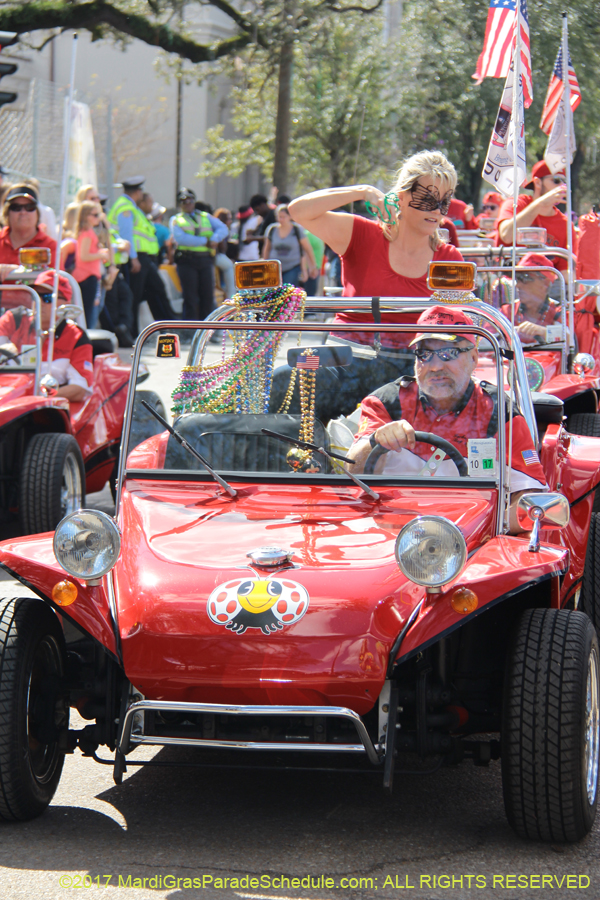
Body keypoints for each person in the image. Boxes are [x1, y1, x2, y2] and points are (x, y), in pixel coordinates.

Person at [347, 305, 547, 532]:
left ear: (473, 358)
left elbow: (530, 499)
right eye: (424, 354)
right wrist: (376, 440)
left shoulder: (499, 412)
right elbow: (353, 474)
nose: (435, 366)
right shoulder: (385, 403)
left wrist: (472, 532)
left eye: (448, 353)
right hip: (389, 534)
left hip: (470, 540)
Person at [0, 271, 93, 402]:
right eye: (36, 296)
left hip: (44, 408)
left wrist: (40, 398)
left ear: (65, 303)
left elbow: (79, 389)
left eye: (47, 297)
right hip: (7, 396)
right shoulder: (13, 320)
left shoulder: (77, 337)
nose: (39, 303)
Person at [495, 161, 577, 271]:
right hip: (509, 279)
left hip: (546, 285)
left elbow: (565, 272)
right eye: (556, 180)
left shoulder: (565, 224)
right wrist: (540, 204)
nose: (562, 186)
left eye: (564, 182)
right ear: (538, 183)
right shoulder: (515, 203)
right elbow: (506, 235)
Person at [170, 188, 228, 320]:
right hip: (187, 260)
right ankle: (190, 330)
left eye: (190, 200)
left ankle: (207, 329)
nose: (187, 204)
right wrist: (205, 241)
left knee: (207, 296)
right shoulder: (176, 219)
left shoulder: (205, 216)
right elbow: (181, 238)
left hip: (205, 260)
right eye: (184, 201)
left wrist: (214, 239)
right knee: (190, 297)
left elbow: (223, 228)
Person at [499, 253, 562, 345]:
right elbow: (486, 340)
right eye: (517, 279)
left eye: (525, 278)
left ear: (545, 284)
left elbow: (569, 338)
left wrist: (542, 332)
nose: (518, 285)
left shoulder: (560, 312)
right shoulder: (507, 311)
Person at [71, 201, 109, 327]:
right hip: (86, 277)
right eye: (95, 215)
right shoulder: (87, 233)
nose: (98, 217)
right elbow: (84, 256)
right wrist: (101, 254)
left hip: (89, 276)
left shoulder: (88, 232)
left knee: (88, 312)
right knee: (87, 314)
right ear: (86, 216)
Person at [0, 184, 57, 265]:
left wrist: (16, 271)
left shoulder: (50, 247)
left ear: (37, 212)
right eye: (16, 207)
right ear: (7, 213)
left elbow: (55, 276)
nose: (23, 212)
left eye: (29, 207)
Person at [262, 204, 317, 286]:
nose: (281, 219)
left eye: (284, 217)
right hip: (274, 268)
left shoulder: (297, 230)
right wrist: (264, 265)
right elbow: (267, 249)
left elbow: (307, 248)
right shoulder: (272, 229)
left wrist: (312, 267)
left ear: (290, 217)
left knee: (287, 290)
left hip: (292, 266)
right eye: (279, 217)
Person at [213, 207, 235, 299]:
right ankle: (231, 296)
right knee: (229, 265)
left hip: (213, 256)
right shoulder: (221, 229)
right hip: (215, 255)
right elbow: (222, 248)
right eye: (229, 219)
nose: (230, 221)